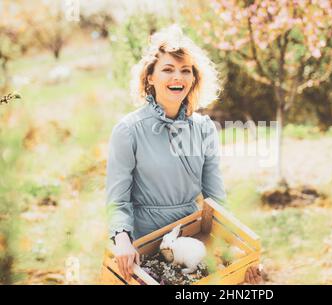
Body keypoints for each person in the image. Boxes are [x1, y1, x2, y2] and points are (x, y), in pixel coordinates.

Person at [106, 25, 261, 283]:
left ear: (193, 79)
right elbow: (117, 201)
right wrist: (122, 240)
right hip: (143, 242)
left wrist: (238, 251)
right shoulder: (128, 130)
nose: (177, 77)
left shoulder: (203, 128)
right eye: (167, 69)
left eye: (185, 70)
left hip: (190, 239)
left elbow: (216, 199)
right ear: (150, 78)